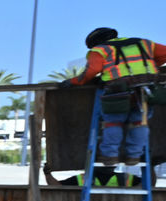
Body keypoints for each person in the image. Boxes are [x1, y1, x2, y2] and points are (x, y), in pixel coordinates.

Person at [63, 27, 166, 165]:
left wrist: (73, 81)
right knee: (139, 123)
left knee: (113, 123)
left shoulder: (99, 50)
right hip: (145, 90)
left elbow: (92, 70)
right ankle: (134, 156)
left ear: (96, 42)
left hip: (117, 91)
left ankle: (110, 156)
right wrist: (150, 66)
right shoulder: (143, 43)